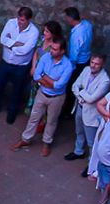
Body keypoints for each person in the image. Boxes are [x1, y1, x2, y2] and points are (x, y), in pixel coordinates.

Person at [11, 27, 72, 155]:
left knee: (51, 121)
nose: (52, 51)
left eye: (55, 49)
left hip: (57, 98)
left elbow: (59, 85)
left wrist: (45, 78)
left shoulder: (67, 65)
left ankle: (46, 143)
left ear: (63, 51)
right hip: (42, 93)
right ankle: (26, 139)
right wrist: (49, 81)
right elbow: (36, 76)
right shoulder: (45, 58)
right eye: (52, 48)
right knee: (34, 117)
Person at [0, 5, 40, 123]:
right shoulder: (10, 23)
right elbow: (2, 39)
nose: (19, 22)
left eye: (23, 20)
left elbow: (26, 50)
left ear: (28, 20)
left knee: (17, 90)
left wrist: (10, 45)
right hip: (5, 62)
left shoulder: (34, 32)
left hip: (21, 66)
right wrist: (17, 43)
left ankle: (12, 112)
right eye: (19, 18)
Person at [65, 53, 110, 161]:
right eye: (92, 62)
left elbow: (91, 99)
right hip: (80, 107)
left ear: (102, 65)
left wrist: (81, 92)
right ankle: (78, 151)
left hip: (92, 113)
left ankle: (92, 162)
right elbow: (74, 86)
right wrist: (81, 96)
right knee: (79, 132)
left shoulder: (105, 80)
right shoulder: (86, 70)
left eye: (97, 64)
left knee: (91, 140)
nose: (93, 66)